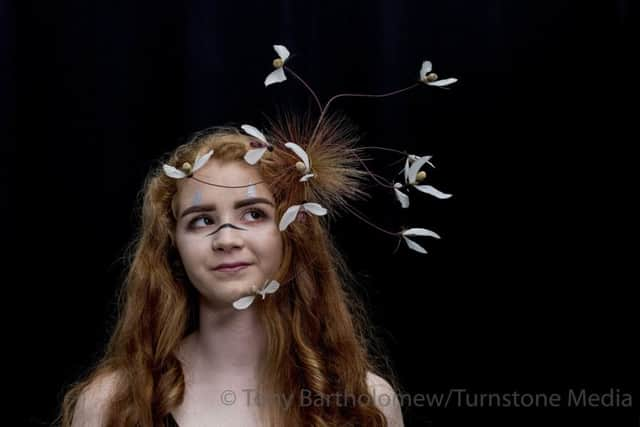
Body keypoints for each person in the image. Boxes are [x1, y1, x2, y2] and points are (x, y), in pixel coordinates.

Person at [57, 122, 405, 427]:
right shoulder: (112, 405)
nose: (226, 239)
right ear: (173, 247)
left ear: (293, 235)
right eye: (202, 220)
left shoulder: (366, 402)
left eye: (253, 214)